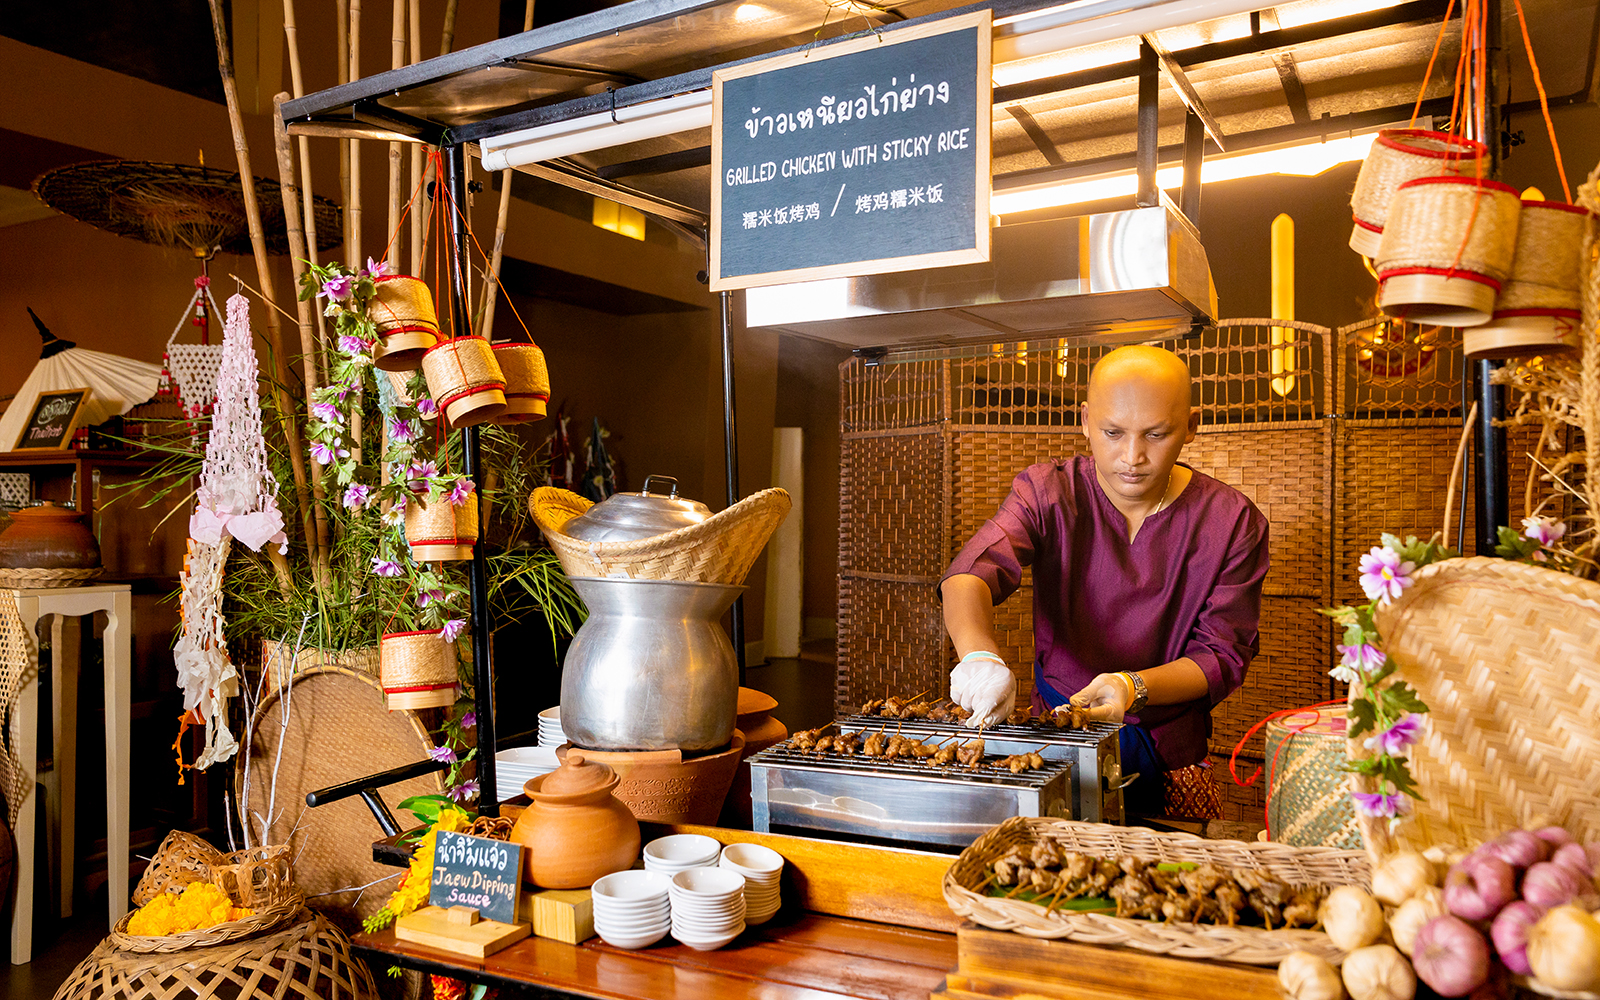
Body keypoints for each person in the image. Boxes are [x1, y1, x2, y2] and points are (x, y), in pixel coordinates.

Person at [940, 345, 1269, 819]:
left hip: (1170, 755)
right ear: (1085, 420)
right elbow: (970, 574)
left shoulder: (1232, 522)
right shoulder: (1049, 492)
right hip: (1057, 744)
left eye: (1156, 434)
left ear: (1191, 426)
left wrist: (1131, 686)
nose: (1132, 457)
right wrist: (979, 657)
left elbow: (1221, 654)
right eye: (1113, 433)